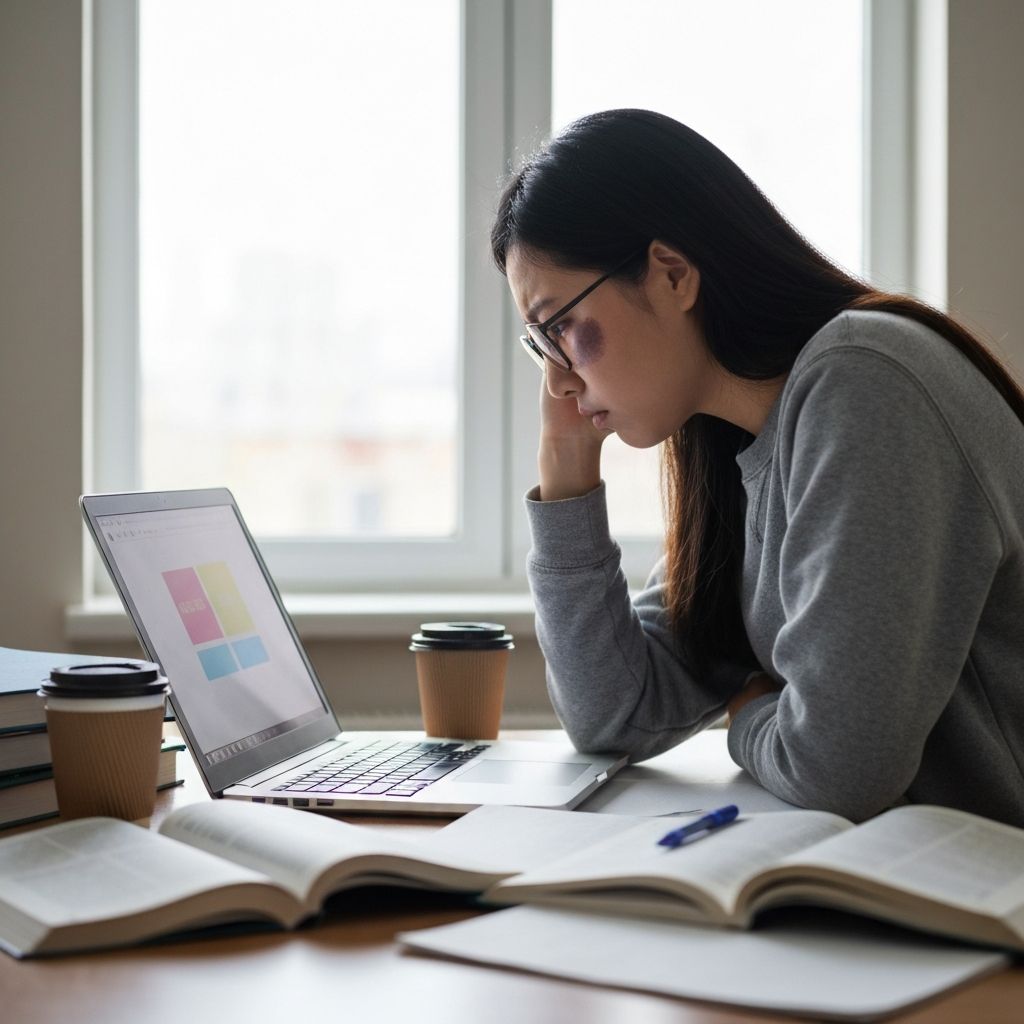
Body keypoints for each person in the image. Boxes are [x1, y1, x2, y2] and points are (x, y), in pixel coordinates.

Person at [490, 108, 1024, 826]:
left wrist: (747, 715)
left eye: (560, 327)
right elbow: (614, 714)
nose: (557, 381)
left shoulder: (863, 381)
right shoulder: (735, 448)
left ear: (671, 275)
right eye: (539, 344)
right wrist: (566, 469)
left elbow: (838, 771)